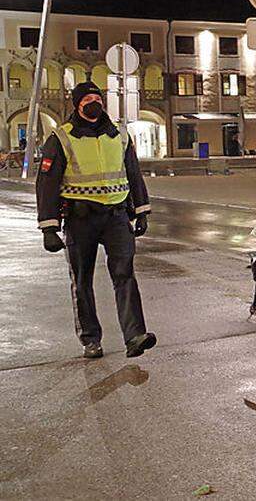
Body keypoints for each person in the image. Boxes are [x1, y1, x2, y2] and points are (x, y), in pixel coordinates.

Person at [36, 81, 156, 359]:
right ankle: (91, 339)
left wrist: (142, 211)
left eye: (97, 98)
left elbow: (134, 174)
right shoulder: (62, 137)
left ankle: (134, 336)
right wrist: (49, 227)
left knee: (125, 275)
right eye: (88, 98)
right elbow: (47, 183)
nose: (95, 102)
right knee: (82, 280)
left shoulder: (120, 135)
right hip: (80, 219)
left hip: (116, 217)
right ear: (77, 105)